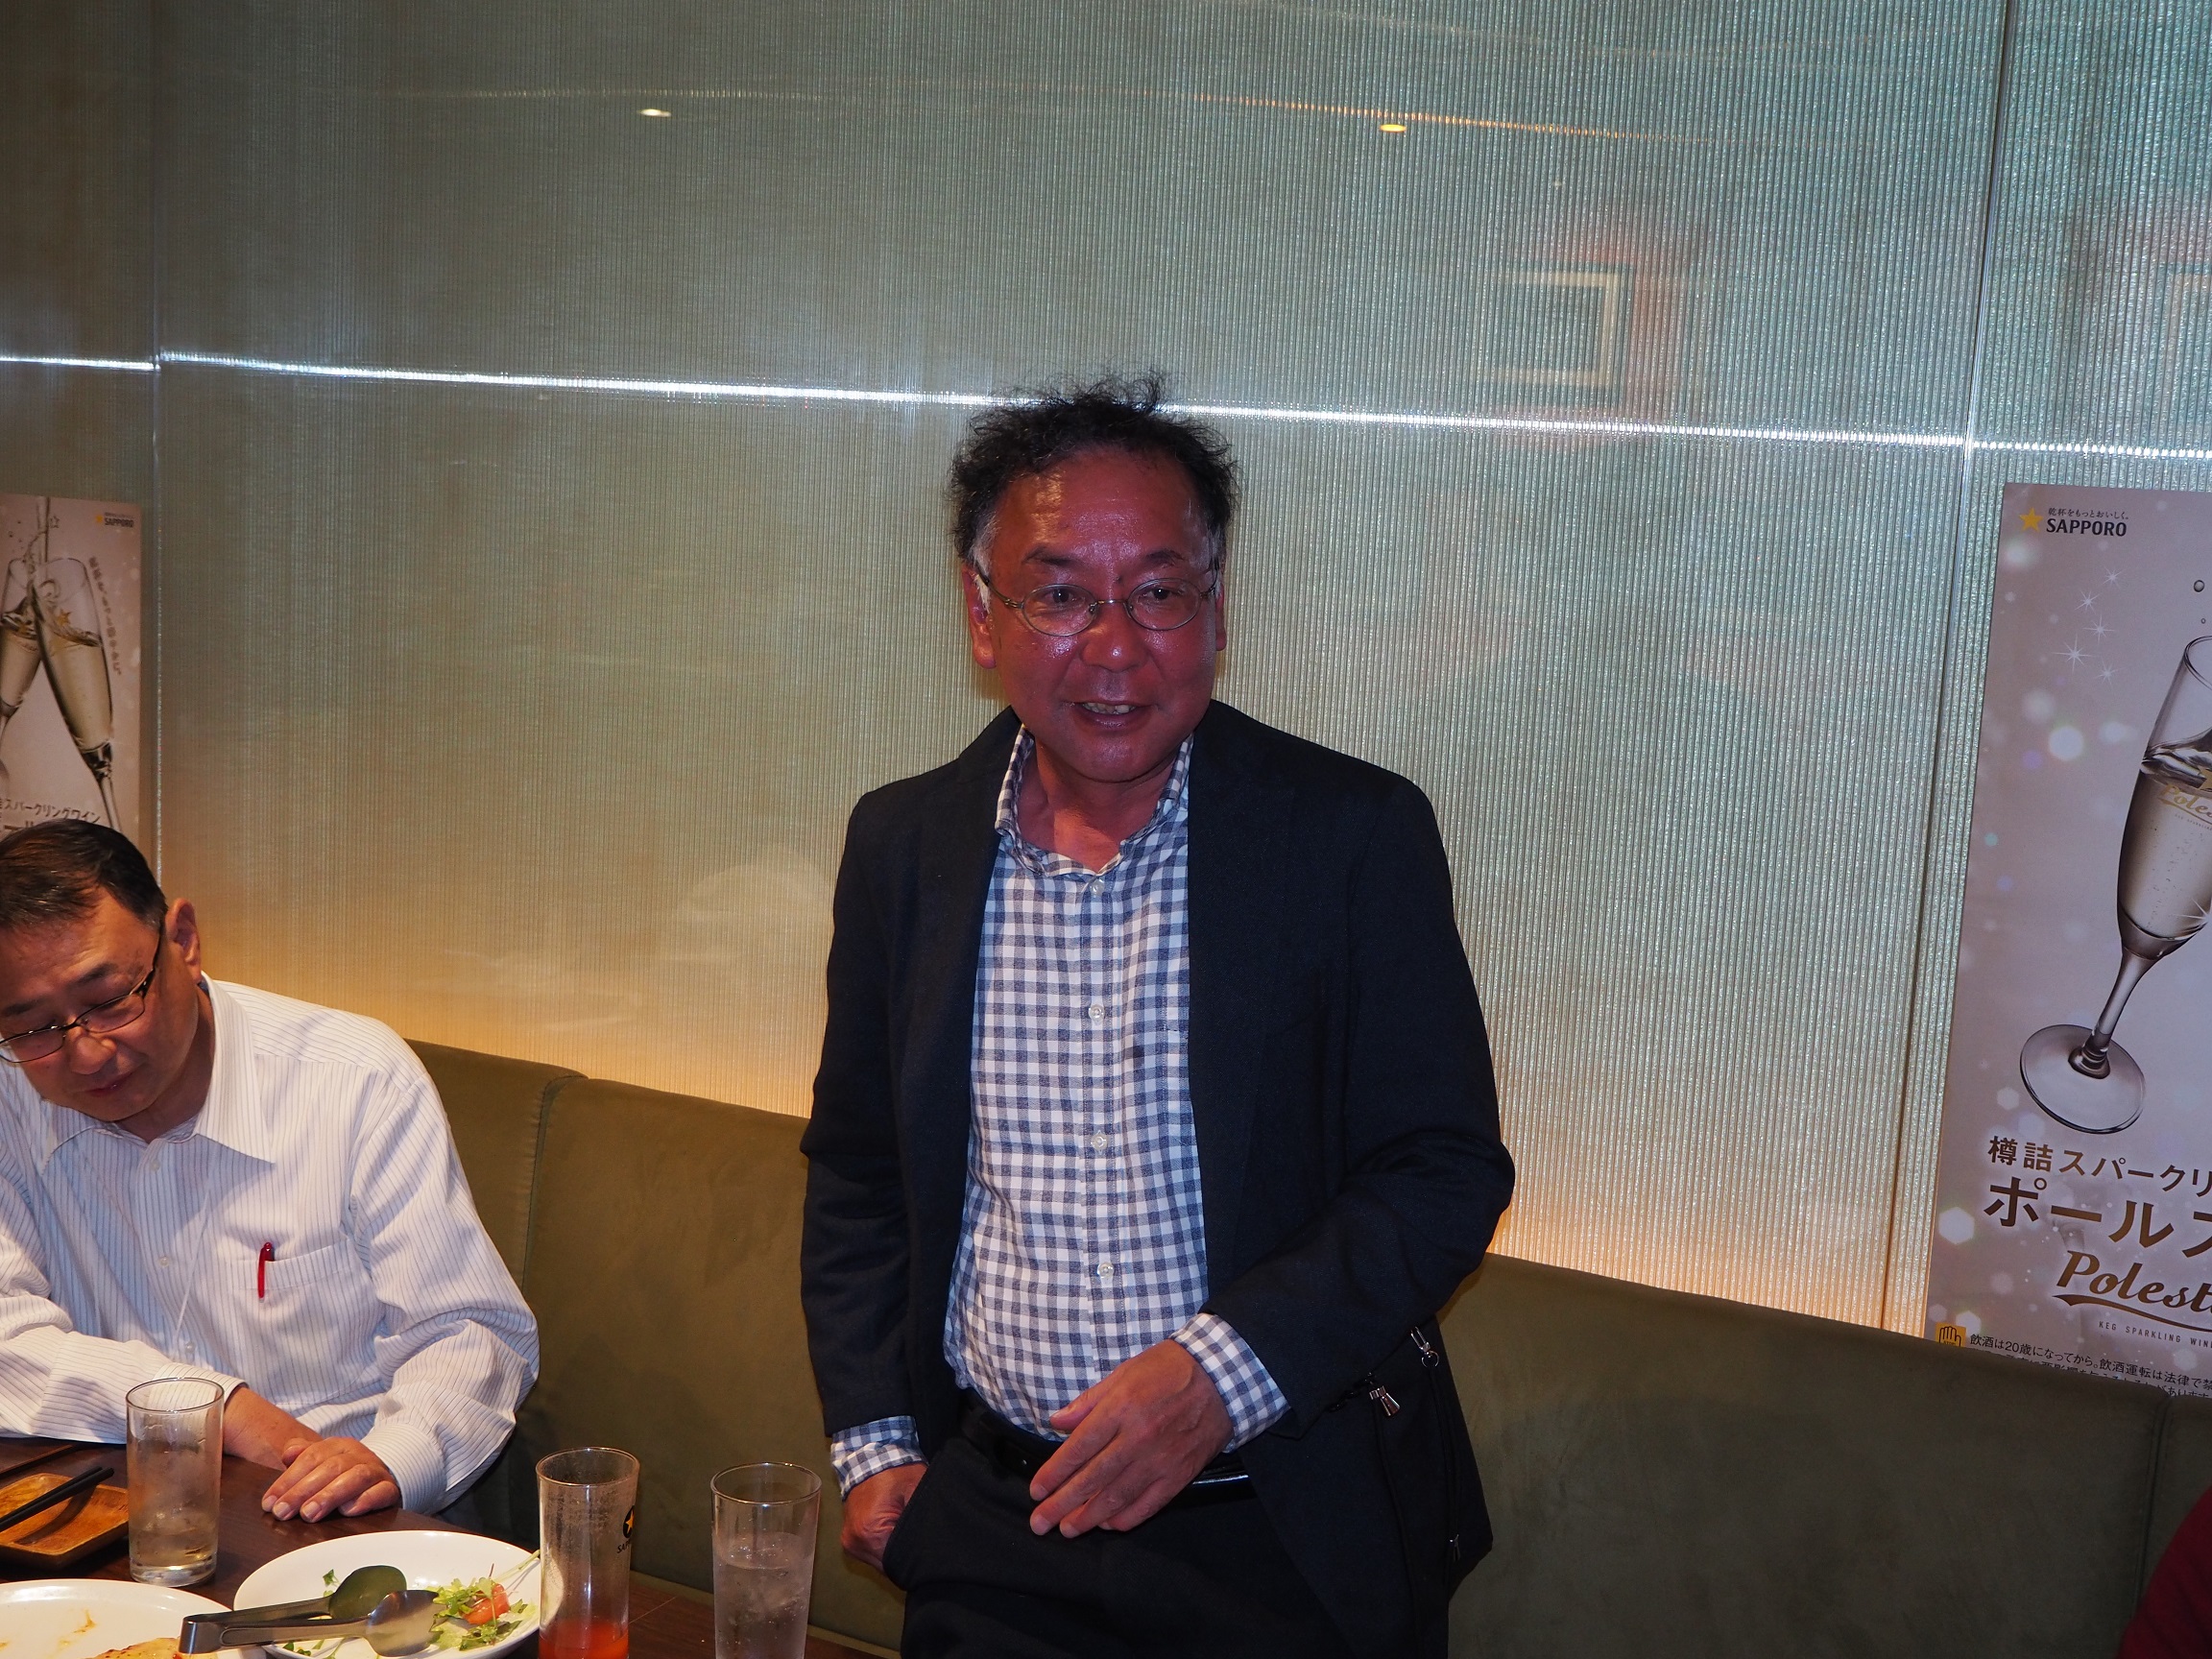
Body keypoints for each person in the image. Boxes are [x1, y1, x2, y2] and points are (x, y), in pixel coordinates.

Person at [800, 374, 1515, 1658]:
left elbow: (1442, 1170)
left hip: (1285, 1529)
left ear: (1217, 608)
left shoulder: (1350, 838)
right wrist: (876, 1441)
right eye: (1062, 595)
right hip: (996, 1527)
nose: (1116, 646)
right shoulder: (905, 846)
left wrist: (1219, 1376)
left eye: (1159, 593)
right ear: (982, 614)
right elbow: (860, 1171)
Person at [0, 819, 538, 1522]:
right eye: (35, 1027)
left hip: (339, 1517)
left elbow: (468, 1330)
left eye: (109, 1000)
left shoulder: (353, 1081)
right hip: (117, 1510)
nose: (87, 1052)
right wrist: (212, 1407)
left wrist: (390, 1458)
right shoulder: (10, 1094)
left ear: (183, 941)